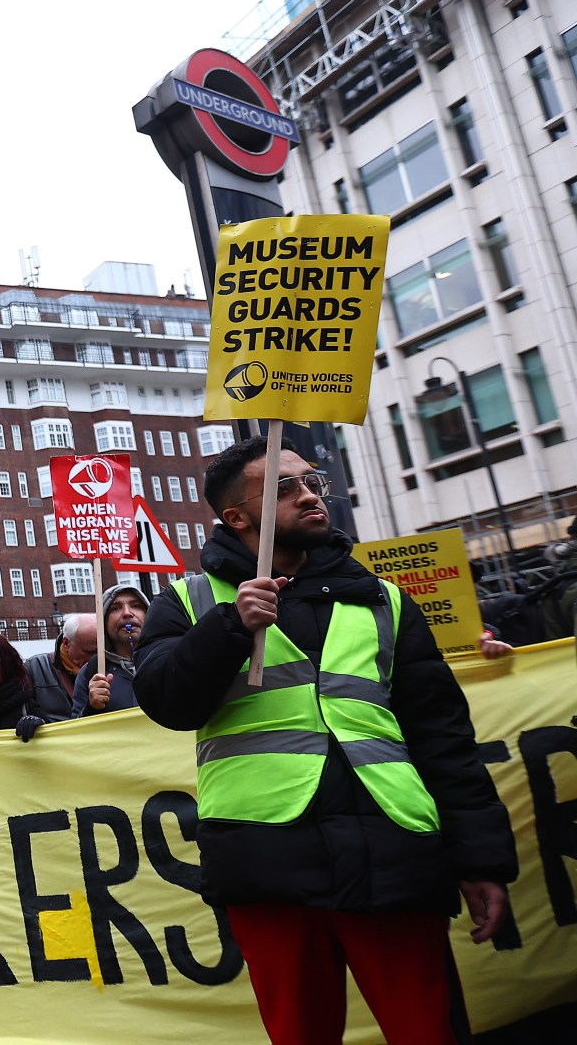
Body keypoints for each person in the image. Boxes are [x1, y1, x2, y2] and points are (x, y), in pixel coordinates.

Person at [134, 435, 516, 1044]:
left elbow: (442, 737)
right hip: (267, 859)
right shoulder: (191, 602)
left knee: (430, 1030)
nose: (310, 495)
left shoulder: (386, 601)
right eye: (285, 488)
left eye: (313, 483)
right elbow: (165, 701)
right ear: (236, 517)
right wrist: (228, 629)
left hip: (393, 850)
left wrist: (480, 859)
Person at [72, 585, 148, 717]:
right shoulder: (91, 672)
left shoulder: (169, 660)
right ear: (104, 622)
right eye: (116, 608)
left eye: (135, 606)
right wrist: (92, 708)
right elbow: (77, 732)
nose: (127, 613)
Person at [23, 613, 97, 722]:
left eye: (100, 651)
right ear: (66, 643)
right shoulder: (34, 668)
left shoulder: (109, 668)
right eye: (89, 652)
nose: (95, 658)